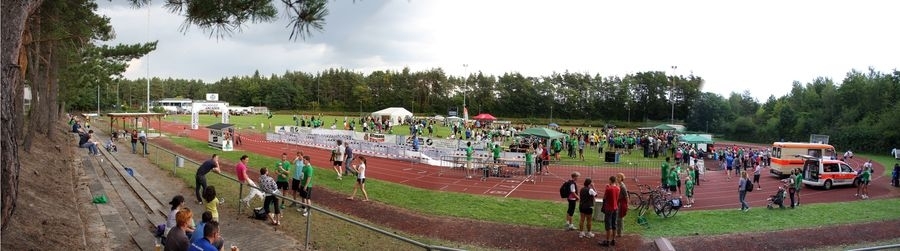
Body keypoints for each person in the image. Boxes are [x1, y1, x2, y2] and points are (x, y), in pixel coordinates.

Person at [598, 175, 620, 247]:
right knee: (614, 224)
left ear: (610, 180)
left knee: (608, 225)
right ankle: (613, 240)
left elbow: (604, 197)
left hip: (609, 208)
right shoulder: (618, 188)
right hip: (615, 208)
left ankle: (607, 241)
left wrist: (607, 188)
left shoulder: (608, 189)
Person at [615, 173, 628, 237]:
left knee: (619, 218)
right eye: (617, 177)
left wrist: (626, 205)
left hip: (621, 203)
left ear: (622, 178)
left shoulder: (622, 186)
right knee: (617, 217)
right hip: (617, 202)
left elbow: (626, 196)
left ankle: (619, 233)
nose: (617, 178)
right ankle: (618, 231)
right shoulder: (617, 184)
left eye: (619, 177)